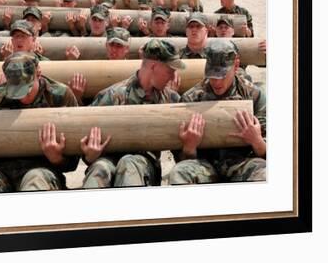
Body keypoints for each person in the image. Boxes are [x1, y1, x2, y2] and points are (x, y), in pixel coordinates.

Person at [0, 52, 80, 193]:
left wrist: (56, 158)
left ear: (38, 73)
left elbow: (73, 164)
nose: (22, 97)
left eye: (27, 88)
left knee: (35, 182)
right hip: (1, 172)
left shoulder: (60, 96)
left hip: (41, 170)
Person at [81, 39, 184, 189]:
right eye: (170, 71)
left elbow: (181, 154)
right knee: (100, 168)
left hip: (143, 166)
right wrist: (90, 155)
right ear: (154, 66)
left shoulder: (171, 99)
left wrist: (188, 146)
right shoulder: (113, 95)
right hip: (109, 160)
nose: (173, 78)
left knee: (129, 163)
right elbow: (85, 142)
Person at [168, 40, 266, 184]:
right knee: (179, 173)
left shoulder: (254, 96)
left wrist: (256, 141)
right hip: (205, 167)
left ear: (236, 66)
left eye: (222, 75)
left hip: (241, 164)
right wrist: (189, 148)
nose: (216, 82)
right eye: (212, 75)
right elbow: (181, 160)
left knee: (264, 173)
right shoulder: (191, 99)